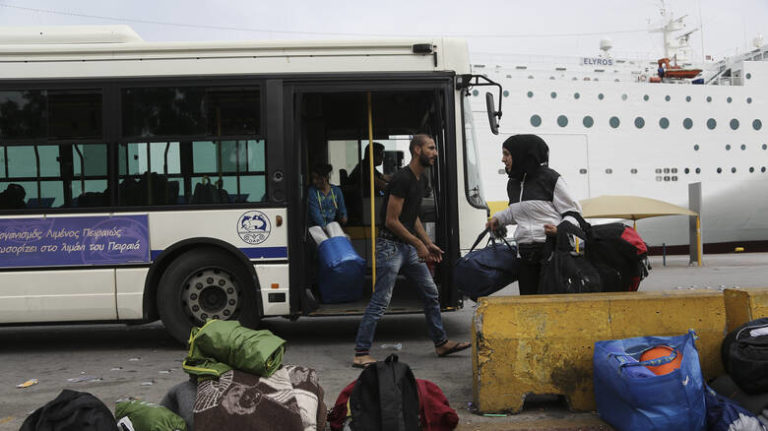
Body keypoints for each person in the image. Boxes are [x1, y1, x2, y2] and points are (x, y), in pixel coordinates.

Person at [352, 134, 470, 368]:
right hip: (390, 247)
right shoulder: (402, 179)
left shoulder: (421, 180)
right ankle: (361, 352)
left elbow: (412, 216)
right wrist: (418, 245)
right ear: (417, 150)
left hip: (407, 246)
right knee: (381, 301)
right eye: (431, 148)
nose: (435, 152)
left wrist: (427, 242)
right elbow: (391, 221)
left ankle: (441, 343)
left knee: (430, 292)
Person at [485, 134, 582, 295]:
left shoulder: (550, 178)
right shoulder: (513, 183)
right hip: (524, 253)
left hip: (550, 252)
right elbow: (518, 211)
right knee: (529, 305)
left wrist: (561, 230)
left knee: (550, 304)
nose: (503, 159)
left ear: (521, 154)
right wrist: (499, 218)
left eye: (506, 154)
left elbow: (574, 212)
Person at [308, 162, 348, 228]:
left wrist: (343, 217)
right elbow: (316, 215)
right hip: (318, 228)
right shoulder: (312, 192)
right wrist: (325, 228)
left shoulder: (336, 191)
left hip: (332, 227)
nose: (314, 181)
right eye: (313, 178)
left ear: (326, 177)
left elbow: (342, 208)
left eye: (317, 178)